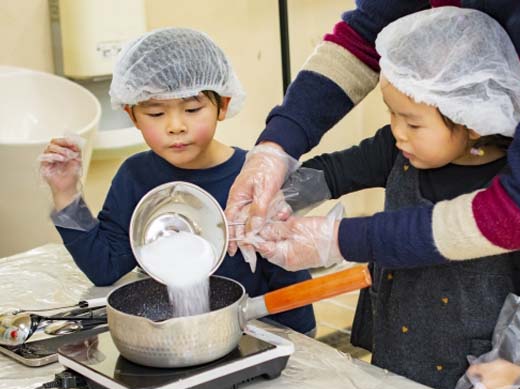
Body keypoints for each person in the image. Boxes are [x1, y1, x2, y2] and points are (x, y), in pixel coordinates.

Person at [226, 2, 520, 389]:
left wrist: (511, 360)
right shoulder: (402, 146)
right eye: (391, 116)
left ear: (470, 121)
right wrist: (276, 173)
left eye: (410, 121)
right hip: (405, 346)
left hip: (479, 360)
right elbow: (338, 167)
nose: (396, 132)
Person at [38, 27, 315, 335]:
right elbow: (105, 268)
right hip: (172, 337)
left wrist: (300, 347)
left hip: (251, 334)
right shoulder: (135, 177)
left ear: (222, 105)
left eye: (193, 109)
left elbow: (290, 278)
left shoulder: (253, 179)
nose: (175, 126)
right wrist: (65, 195)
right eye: (156, 113)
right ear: (132, 115)